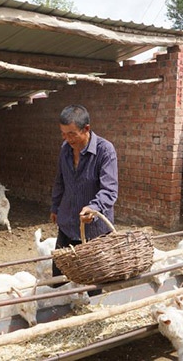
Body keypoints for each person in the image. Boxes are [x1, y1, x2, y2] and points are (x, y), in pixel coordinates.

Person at [50, 104, 118, 289]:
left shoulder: (105, 151)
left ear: (86, 129)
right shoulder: (65, 149)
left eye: (71, 134)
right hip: (67, 225)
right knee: (60, 281)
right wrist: (56, 207)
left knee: (94, 285)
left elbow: (110, 189)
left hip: (95, 231)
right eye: (63, 133)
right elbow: (60, 181)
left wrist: (94, 208)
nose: (66, 138)